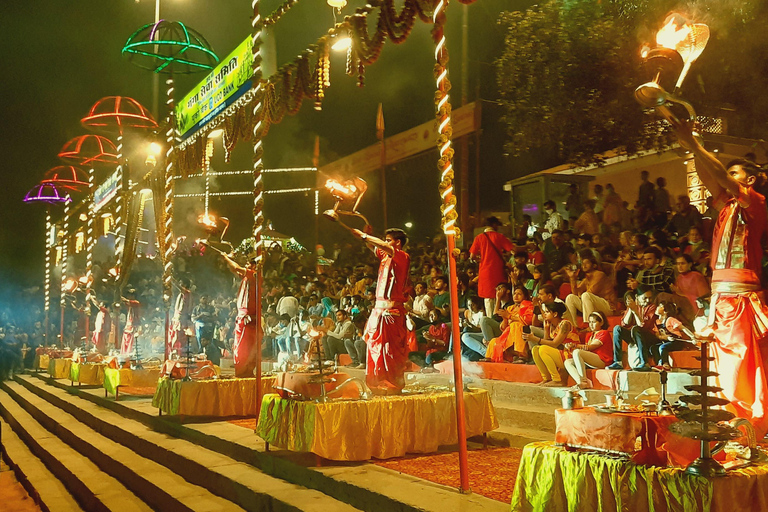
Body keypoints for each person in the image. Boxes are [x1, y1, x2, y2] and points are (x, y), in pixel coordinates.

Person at [674, 118, 768, 436]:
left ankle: (751, 426)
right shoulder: (727, 205)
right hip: (722, 298)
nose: (727, 177)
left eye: (735, 172)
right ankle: (735, 422)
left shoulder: (755, 203)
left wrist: (696, 144)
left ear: (751, 178)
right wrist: (691, 146)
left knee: (744, 362)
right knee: (727, 364)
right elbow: (710, 177)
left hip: (741, 297)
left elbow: (720, 178)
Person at [345, 226, 412, 394]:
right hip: (378, 312)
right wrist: (364, 237)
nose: (385, 243)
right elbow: (373, 246)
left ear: (397, 243)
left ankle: (392, 385)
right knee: (375, 349)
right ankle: (377, 384)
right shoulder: (385, 256)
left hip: (391, 313)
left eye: (388, 240)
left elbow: (380, 245)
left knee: (390, 351)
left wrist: (365, 235)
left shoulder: (401, 256)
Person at [218, 252, 259, 377]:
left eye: (248, 264)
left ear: (254, 266)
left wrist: (225, 257)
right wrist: (228, 259)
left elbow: (236, 267)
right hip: (241, 317)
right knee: (239, 346)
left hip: (248, 318)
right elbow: (233, 268)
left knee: (245, 347)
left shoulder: (255, 275)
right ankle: (242, 371)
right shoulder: (247, 277)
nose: (246, 266)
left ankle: (245, 371)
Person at [523, 301, 578, 387]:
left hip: (570, 354)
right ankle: (546, 378)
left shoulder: (565, 324)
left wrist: (535, 339)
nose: (544, 314)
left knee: (542, 349)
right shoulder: (551, 325)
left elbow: (555, 344)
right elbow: (546, 342)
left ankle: (557, 379)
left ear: (555, 314)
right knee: (536, 349)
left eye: (547, 312)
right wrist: (546, 330)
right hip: (560, 353)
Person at [469, 216, 515, 317]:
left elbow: (472, 256)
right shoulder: (499, 236)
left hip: (485, 273)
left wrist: (481, 260)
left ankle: (490, 322)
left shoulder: (479, 238)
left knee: (489, 300)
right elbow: (512, 250)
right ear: (494, 225)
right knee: (502, 297)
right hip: (498, 272)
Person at [608, 285, 658, 371]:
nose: (648, 301)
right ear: (637, 297)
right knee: (617, 329)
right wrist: (631, 309)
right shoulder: (633, 305)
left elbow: (643, 326)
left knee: (636, 329)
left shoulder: (652, 307)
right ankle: (618, 362)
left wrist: (635, 312)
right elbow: (624, 324)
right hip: (636, 336)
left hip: (649, 337)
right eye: (645, 298)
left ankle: (644, 362)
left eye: (650, 298)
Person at [564, 251, 616, 325]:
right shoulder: (586, 278)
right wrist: (572, 278)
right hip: (593, 306)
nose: (584, 265)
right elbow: (575, 293)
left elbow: (590, 292)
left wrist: (580, 295)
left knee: (585, 295)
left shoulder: (599, 274)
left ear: (594, 265)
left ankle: (588, 324)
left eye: (587, 263)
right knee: (570, 297)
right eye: (582, 263)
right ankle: (572, 326)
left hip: (608, 307)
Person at [484, 286, 534, 363]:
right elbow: (504, 328)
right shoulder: (510, 308)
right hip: (510, 333)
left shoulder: (529, 305)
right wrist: (505, 319)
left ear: (525, 296)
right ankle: (489, 357)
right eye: (514, 294)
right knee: (494, 341)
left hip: (522, 332)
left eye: (519, 294)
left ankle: (522, 355)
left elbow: (528, 320)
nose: (516, 296)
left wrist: (509, 316)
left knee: (515, 325)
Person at [563, 311, 613, 389]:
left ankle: (584, 381)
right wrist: (571, 346)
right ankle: (580, 382)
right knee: (568, 362)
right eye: (590, 322)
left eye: (594, 322)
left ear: (601, 323)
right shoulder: (589, 335)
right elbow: (586, 350)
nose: (591, 324)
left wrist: (575, 346)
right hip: (592, 361)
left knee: (577, 352)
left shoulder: (604, 333)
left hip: (602, 360)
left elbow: (591, 347)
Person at [648, 301, 696, 371]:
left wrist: (693, 337)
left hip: (677, 342)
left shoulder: (670, 320)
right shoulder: (656, 322)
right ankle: (659, 364)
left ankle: (665, 365)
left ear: (665, 311)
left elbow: (683, 328)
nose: (657, 307)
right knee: (653, 348)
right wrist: (666, 338)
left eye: (660, 306)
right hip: (667, 341)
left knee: (662, 347)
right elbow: (657, 335)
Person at [168, 277, 193, 355]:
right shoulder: (182, 294)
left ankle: (179, 352)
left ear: (184, 284)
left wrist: (172, 280)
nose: (179, 284)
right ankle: (174, 351)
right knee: (174, 334)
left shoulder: (187, 293)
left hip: (181, 317)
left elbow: (179, 287)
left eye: (181, 282)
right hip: (177, 317)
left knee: (179, 335)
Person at [120, 289, 141, 356]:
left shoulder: (136, 303)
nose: (129, 296)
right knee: (125, 339)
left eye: (130, 295)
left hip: (133, 324)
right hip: (128, 325)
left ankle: (129, 355)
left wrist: (121, 297)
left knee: (131, 341)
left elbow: (126, 300)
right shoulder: (130, 305)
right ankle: (124, 354)